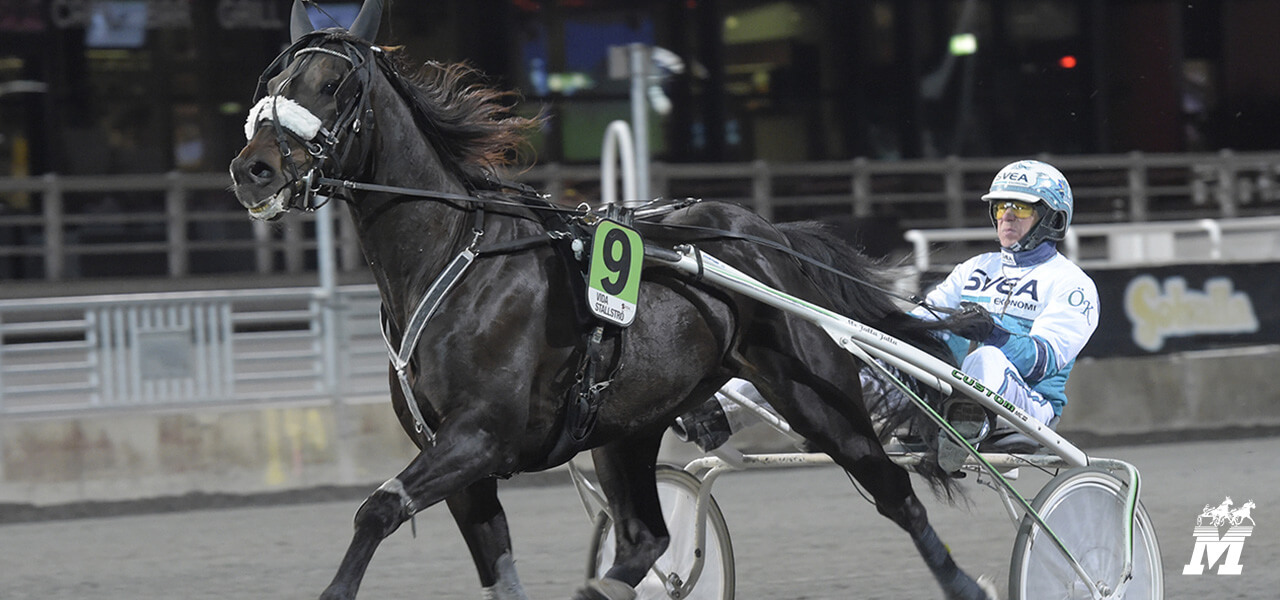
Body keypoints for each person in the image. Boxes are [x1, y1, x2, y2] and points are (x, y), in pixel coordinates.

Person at [677, 160, 1100, 465]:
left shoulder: (1072, 285)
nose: (1006, 216)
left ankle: (957, 433)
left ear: (1051, 219)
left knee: (984, 358)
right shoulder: (976, 269)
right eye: (1000, 207)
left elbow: (1044, 361)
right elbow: (923, 327)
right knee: (843, 353)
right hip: (953, 392)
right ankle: (718, 412)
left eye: (1021, 208)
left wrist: (993, 334)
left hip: (1028, 409)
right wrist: (869, 331)